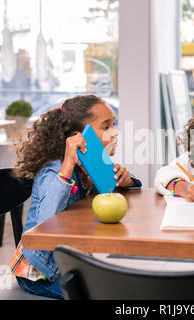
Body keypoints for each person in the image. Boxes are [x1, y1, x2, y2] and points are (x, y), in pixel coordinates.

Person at [9, 95, 141, 299]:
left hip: (70, 261)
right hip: (41, 273)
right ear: (78, 136)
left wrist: (126, 181)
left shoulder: (89, 163)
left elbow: (108, 190)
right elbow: (45, 223)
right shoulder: (54, 169)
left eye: (113, 124)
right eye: (105, 127)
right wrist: (68, 163)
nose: (114, 132)